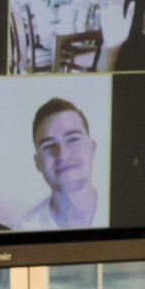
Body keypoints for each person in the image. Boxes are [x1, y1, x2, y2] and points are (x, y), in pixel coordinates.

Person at [15, 98, 103, 231]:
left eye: (72, 140)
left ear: (92, 148)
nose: (62, 155)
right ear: (38, 162)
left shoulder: (124, 209)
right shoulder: (25, 228)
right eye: (49, 146)